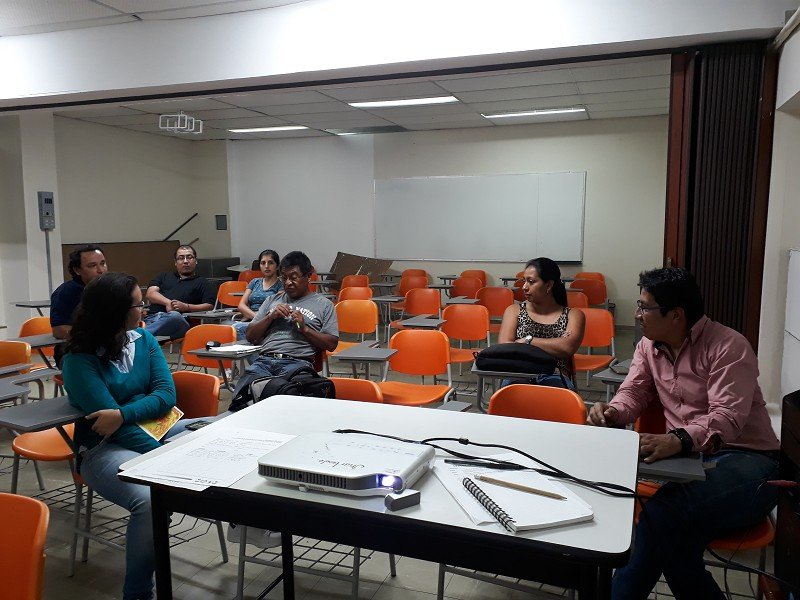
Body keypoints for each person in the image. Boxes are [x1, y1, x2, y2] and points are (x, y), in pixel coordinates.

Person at [587, 267, 779, 600]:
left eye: (645, 307)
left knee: (661, 516)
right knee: (674, 544)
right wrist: (614, 411)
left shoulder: (728, 346)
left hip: (751, 462)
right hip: (691, 462)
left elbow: (727, 418)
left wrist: (679, 440)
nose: (637, 314)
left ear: (676, 315)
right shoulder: (649, 346)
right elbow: (634, 391)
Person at [62, 272, 201, 600]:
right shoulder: (78, 360)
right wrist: (168, 455)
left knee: (219, 428)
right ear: (114, 312)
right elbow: (113, 430)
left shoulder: (144, 340)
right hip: (103, 448)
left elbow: (166, 395)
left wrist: (124, 412)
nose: (145, 311)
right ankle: (137, 593)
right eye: (138, 305)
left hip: (154, 428)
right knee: (150, 501)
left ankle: (244, 520)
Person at [230, 250, 338, 403]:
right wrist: (270, 317)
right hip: (264, 362)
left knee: (288, 400)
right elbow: (250, 336)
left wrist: (304, 329)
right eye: (284, 278)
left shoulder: (324, 305)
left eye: (293, 278)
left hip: (297, 364)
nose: (287, 283)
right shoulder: (272, 300)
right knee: (238, 403)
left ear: (308, 276)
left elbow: (332, 344)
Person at [497, 257, 585, 387]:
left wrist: (526, 341)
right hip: (519, 372)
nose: (524, 287)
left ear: (549, 285)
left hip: (555, 374)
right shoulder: (514, 310)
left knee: (551, 393)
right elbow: (505, 348)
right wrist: (554, 345)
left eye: (531, 282)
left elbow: (566, 348)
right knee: (514, 393)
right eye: (524, 281)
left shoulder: (573, 315)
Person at [144, 244, 214, 339]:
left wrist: (186, 307)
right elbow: (150, 293)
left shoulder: (202, 282)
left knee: (174, 316)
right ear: (175, 262)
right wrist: (168, 303)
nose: (185, 261)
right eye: (181, 258)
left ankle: (138, 336)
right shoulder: (163, 276)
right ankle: (141, 336)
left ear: (196, 261)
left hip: (180, 322)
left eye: (189, 257)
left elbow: (209, 306)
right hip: (153, 318)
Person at [50, 244, 108, 340]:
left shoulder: (110, 287)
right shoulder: (66, 292)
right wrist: (94, 336)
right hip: (80, 345)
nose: (100, 270)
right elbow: (58, 330)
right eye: (93, 266)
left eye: (103, 263)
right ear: (77, 270)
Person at [233, 249, 283, 340]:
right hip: (252, 319)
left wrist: (260, 319)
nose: (266, 266)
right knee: (228, 328)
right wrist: (256, 317)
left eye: (270, 263)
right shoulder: (254, 282)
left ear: (277, 266)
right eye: (263, 263)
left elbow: (277, 308)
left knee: (237, 328)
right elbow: (241, 305)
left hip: (268, 322)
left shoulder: (281, 285)